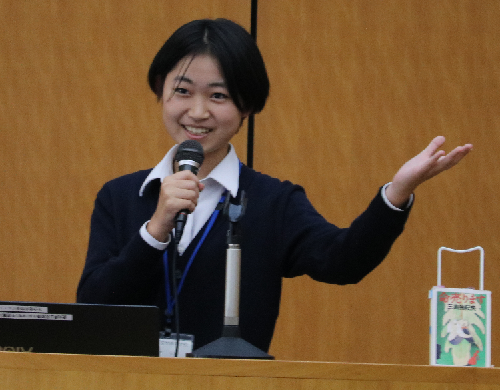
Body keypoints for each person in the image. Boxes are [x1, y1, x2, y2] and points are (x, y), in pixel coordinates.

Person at [76, 18, 472, 353]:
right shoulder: (121, 196)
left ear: (247, 105)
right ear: (160, 90)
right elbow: (93, 303)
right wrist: (155, 230)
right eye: (182, 91)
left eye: (218, 96)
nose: (197, 112)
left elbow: (342, 261)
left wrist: (396, 195)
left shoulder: (272, 202)